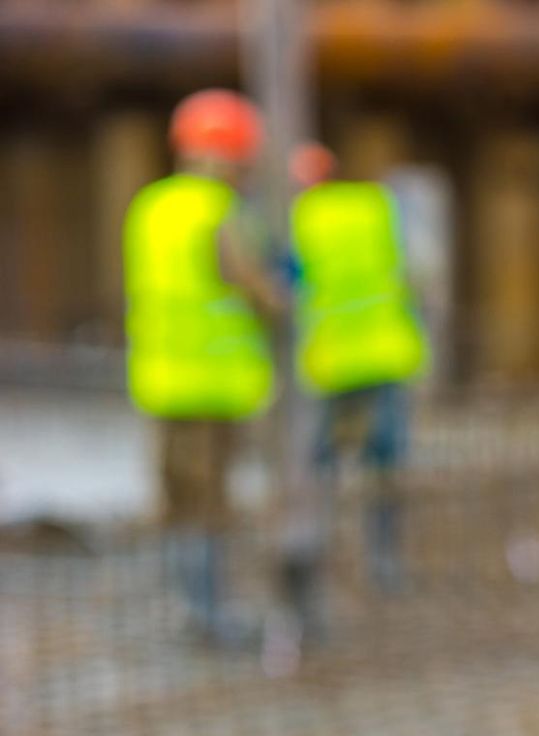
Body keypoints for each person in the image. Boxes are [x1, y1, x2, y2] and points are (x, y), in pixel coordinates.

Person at [124, 89, 283, 644]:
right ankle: (207, 613)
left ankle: (183, 603)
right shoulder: (221, 214)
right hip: (212, 388)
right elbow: (259, 292)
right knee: (209, 506)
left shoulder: (152, 206)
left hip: (160, 380)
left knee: (177, 499)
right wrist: (287, 292)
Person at [288, 142, 428, 608]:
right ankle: (383, 560)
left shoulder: (295, 217)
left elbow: (286, 286)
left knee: (321, 466)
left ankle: (319, 554)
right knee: (383, 467)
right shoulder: (372, 205)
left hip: (331, 365)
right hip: (385, 355)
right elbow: (408, 271)